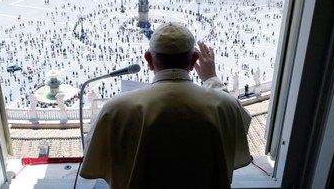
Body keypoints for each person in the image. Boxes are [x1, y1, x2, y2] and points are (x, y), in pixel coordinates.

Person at [80, 22, 251, 189]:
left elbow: (93, 154)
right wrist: (212, 79)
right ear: (193, 61)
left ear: (149, 59)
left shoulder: (114, 109)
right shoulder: (226, 106)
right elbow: (240, 129)